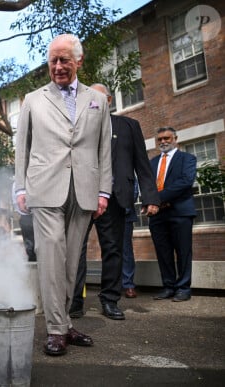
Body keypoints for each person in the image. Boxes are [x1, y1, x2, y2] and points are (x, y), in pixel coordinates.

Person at [14, 34, 112, 356]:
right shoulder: (33, 99)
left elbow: (104, 149)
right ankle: (56, 329)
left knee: (72, 263)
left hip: (84, 189)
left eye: (64, 60)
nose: (57, 67)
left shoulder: (97, 100)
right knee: (52, 256)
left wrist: (103, 191)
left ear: (78, 61)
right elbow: (22, 148)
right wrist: (20, 187)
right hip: (44, 188)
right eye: (52, 61)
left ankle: (65, 322)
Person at [69, 84, 159, 320]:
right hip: (81, 196)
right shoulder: (77, 125)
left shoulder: (129, 126)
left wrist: (150, 196)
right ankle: (74, 301)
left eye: (98, 97)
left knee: (113, 250)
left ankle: (110, 300)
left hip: (115, 196)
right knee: (75, 250)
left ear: (108, 100)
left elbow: (142, 163)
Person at [149, 127, 196, 302]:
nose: (163, 141)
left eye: (167, 138)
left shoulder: (187, 158)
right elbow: (147, 185)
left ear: (175, 138)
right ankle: (168, 286)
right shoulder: (152, 162)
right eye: (159, 139)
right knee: (163, 252)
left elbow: (185, 182)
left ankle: (183, 288)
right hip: (157, 215)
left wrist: (157, 199)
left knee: (183, 251)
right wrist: (150, 201)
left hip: (180, 212)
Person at [122, 180, 140, 298]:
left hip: (125, 214)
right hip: (106, 216)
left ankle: (128, 284)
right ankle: (111, 284)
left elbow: (134, 191)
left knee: (126, 251)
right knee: (109, 250)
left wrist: (122, 207)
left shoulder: (126, 166)